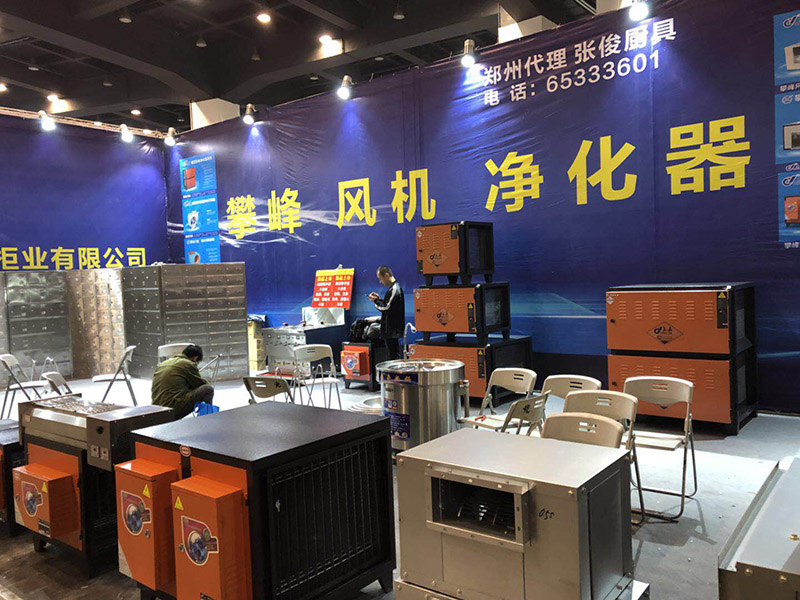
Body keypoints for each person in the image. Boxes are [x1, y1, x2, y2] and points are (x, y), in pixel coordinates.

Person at [151, 344, 214, 419]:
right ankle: (207, 420)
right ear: (195, 358)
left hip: (156, 408)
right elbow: (200, 384)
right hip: (171, 409)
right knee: (208, 389)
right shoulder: (188, 364)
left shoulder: (163, 364)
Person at [368, 265, 405, 360]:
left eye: (380, 279)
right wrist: (378, 299)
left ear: (387, 275)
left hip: (392, 330)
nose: (380, 282)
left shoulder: (395, 289)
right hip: (390, 330)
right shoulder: (393, 288)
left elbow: (387, 308)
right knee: (392, 355)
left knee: (394, 356)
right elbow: (389, 304)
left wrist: (375, 301)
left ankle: (395, 370)